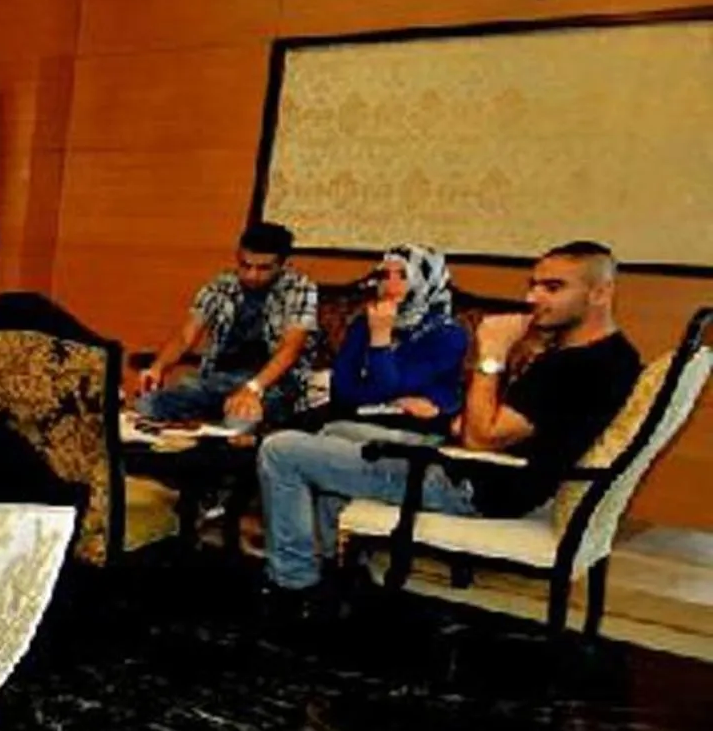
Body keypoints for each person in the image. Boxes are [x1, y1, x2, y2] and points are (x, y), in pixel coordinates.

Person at [255, 240, 643, 602]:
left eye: (552, 288)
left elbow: (481, 438)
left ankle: (294, 586)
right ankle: (337, 569)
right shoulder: (608, 354)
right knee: (335, 430)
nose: (532, 298)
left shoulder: (579, 365)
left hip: (476, 485)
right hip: (472, 463)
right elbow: (482, 424)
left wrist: (491, 354)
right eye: (534, 285)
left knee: (281, 449)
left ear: (600, 293)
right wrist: (464, 423)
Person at [135, 221, 317, 430]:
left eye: (263, 268)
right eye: (245, 265)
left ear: (283, 264)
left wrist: (253, 388)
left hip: (272, 384)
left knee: (239, 422)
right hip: (217, 380)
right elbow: (186, 336)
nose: (252, 275)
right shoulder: (222, 284)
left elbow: (290, 348)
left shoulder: (300, 288)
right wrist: (158, 367)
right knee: (148, 406)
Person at [318, 243, 470, 437]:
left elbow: (387, 387)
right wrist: (388, 400)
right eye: (384, 276)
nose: (390, 284)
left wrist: (380, 339)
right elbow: (341, 390)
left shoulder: (447, 335)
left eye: (404, 276)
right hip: (357, 421)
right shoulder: (363, 324)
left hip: (410, 432)